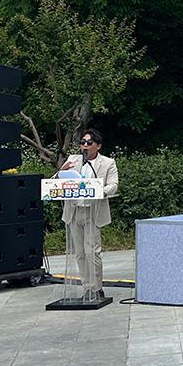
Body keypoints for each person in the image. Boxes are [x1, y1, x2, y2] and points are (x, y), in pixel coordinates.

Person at [57, 129, 118, 301]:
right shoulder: (72, 160)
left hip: (93, 211)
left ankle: (97, 287)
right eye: (82, 142)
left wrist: (100, 190)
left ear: (98, 146)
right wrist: (61, 171)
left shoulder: (107, 163)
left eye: (89, 143)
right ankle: (87, 287)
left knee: (92, 252)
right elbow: (56, 181)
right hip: (74, 211)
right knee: (80, 253)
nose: (84, 145)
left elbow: (113, 185)